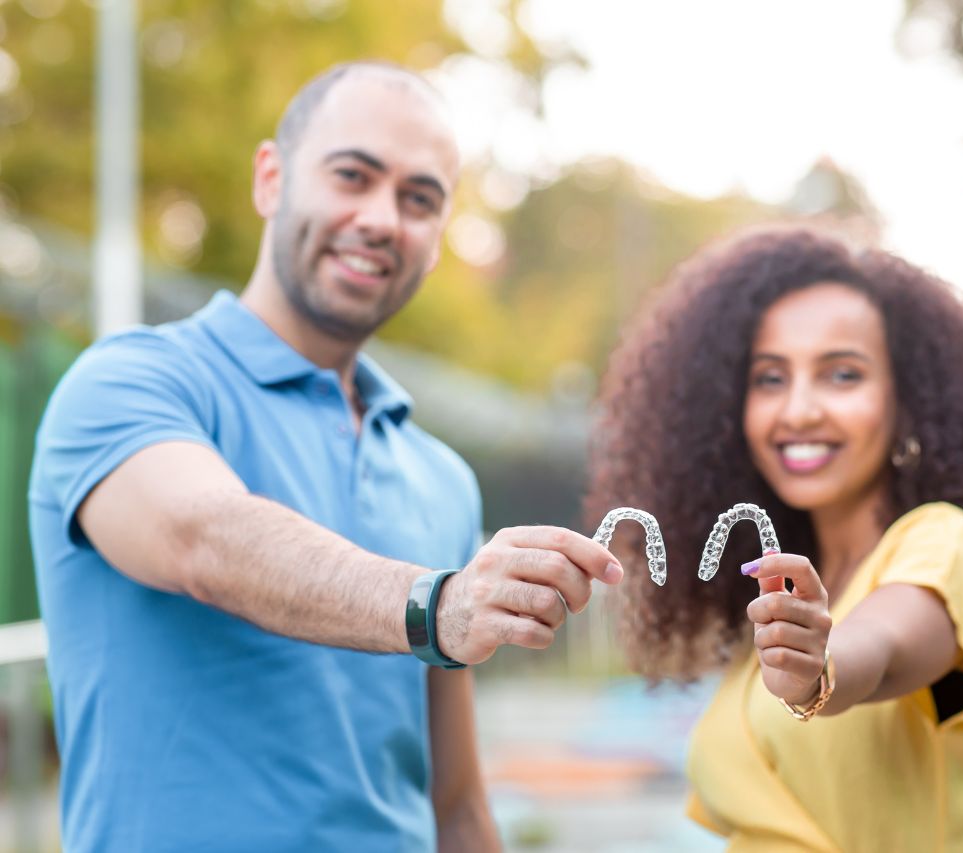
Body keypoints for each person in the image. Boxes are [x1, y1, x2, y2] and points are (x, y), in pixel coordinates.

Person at [29, 61, 623, 852]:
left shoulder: (441, 478)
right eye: (353, 176)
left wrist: (448, 610)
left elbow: (455, 801)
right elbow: (202, 537)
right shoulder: (128, 383)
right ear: (271, 179)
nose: (382, 218)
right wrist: (437, 605)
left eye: (419, 199)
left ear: (438, 240)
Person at [584, 223, 963, 852]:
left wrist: (823, 668)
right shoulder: (782, 589)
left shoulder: (946, 546)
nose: (800, 410)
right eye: (769, 378)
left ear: (911, 401)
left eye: (842, 375)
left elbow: (882, 647)